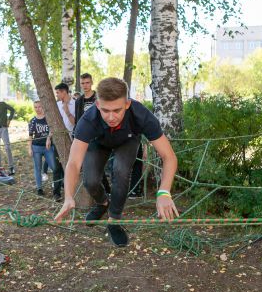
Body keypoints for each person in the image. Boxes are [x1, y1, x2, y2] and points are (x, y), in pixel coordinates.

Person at [54, 77, 178, 247]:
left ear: (127, 104)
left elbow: (169, 156)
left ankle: (114, 219)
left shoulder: (141, 115)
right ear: (97, 105)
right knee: (90, 180)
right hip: (99, 142)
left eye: (117, 110)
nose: (111, 117)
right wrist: (68, 196)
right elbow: (74, 163)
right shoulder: (88, 120)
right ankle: (103, 203)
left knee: (121, 171)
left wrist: (164, 192)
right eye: (105, 110)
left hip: (127, 141)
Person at [50, 83, 76, 202]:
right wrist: (48, 137)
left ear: (64, 92)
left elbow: (75, 122)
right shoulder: (57, 105)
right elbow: (54, 122)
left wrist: (67, 111)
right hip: (58, 140)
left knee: (69, 167)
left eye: (58, 93)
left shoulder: (75, 104)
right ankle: (56, 193)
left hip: (72, 141)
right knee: (56, 168)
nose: (57, 95)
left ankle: (70, 193)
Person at [27, 101, 55, 196]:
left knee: (54, 167)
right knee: (37, 168)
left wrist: (48, 138)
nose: (38, 109)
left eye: (39, 107)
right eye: (35, 107)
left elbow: (52, 129)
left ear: (43, 107)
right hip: (36, 147)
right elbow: (30, 136)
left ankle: (56, 183)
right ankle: (39, 188)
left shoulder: (48, 118)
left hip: (47, 147)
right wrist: (29, 148)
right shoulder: (33, 121)